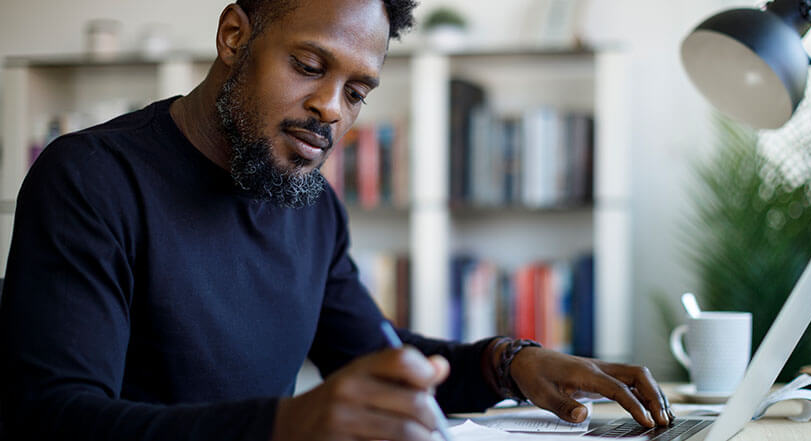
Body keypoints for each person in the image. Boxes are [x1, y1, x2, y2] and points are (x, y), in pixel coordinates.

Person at [0, 1, 673, 440]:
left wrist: (508, 363)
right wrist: (285, 426)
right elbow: (54, 418)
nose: (330, 108)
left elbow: (381, 358)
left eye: (356, 91)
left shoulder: (313, 206)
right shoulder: (90, 179)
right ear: (234, 37)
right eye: (309, 65)